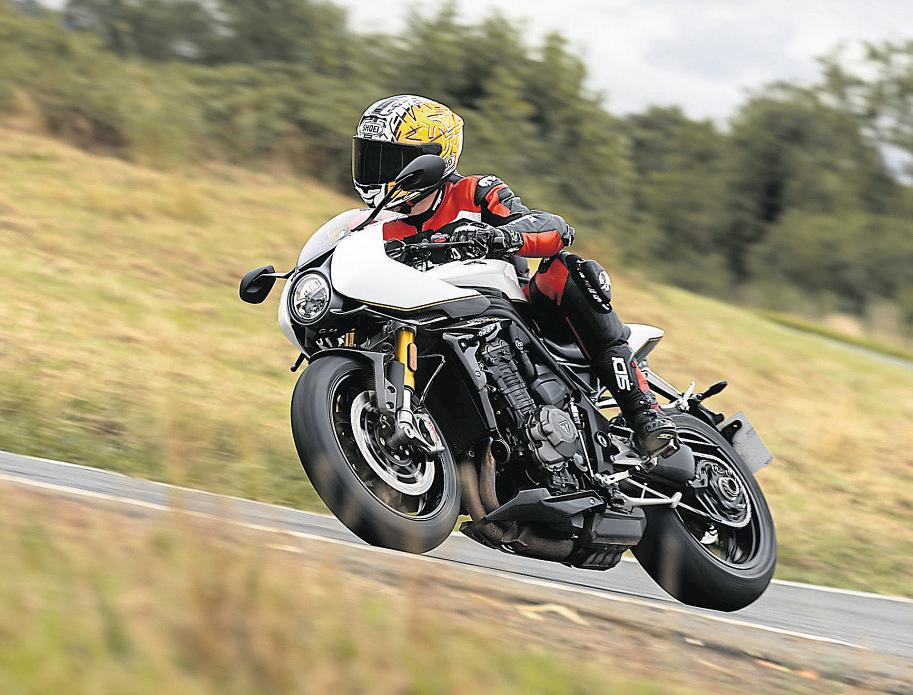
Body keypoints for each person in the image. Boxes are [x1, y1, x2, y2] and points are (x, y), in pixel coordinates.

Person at [352, 94, 677, 457]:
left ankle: (643, 411)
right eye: (369, 157)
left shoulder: (474, 192)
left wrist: (501, 236)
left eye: (389, 160)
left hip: (516, 318)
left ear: (431, 160)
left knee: (566, 270)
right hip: (430, 319)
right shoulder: (377, 227)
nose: (376, 171)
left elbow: (552, 227)